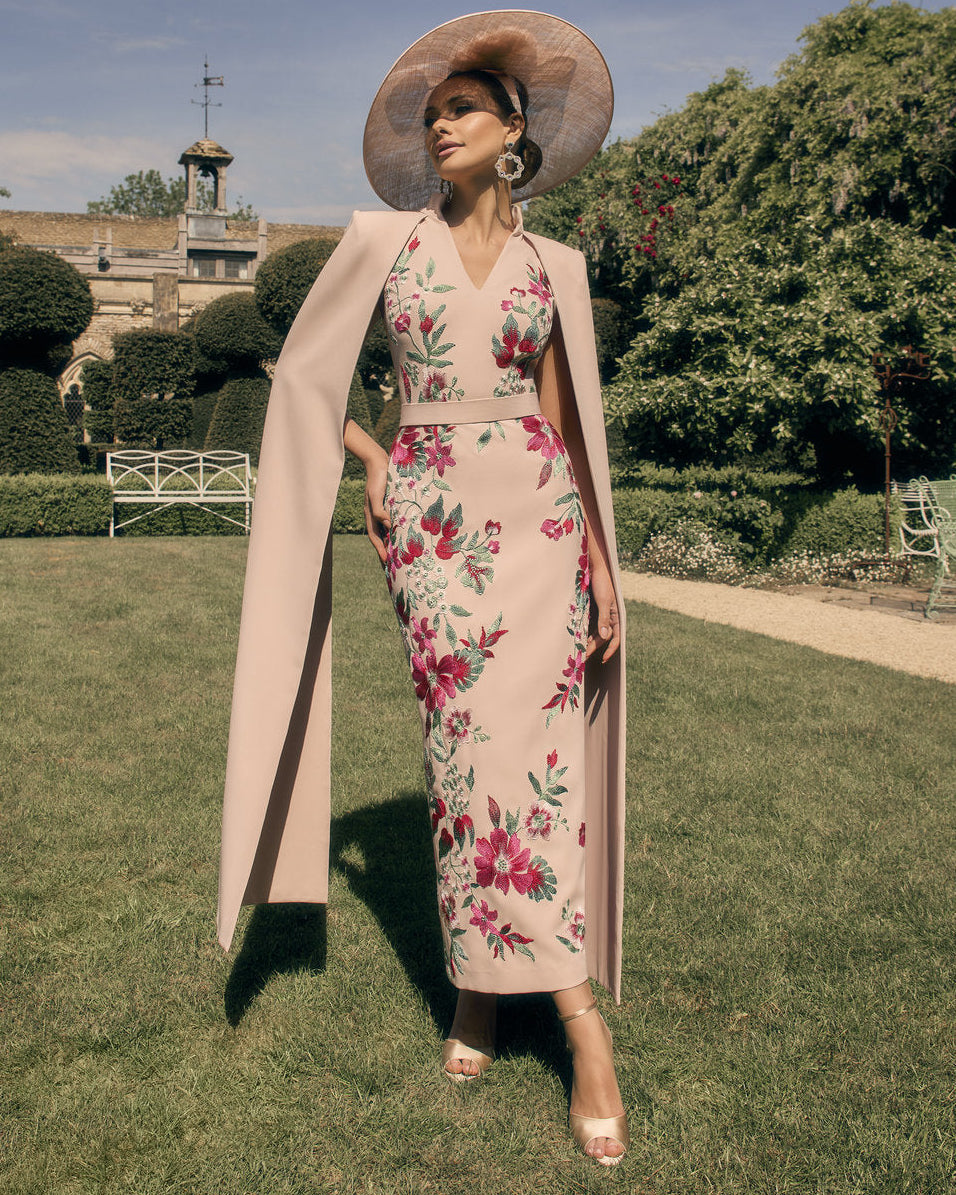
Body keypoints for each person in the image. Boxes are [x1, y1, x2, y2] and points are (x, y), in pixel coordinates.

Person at [218, 11, 628, 1166]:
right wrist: (380, 456)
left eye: (460, 108)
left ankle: (559, 1016)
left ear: (513, 131)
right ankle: (485, 988)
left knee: (536, 766)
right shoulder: (379, 245)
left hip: (540, 523)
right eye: (429, 112)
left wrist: (598, 558)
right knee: (465, 764)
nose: (437, 125)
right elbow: (299, 379)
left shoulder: (559, 270)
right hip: (436, 529)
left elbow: (566, 423)